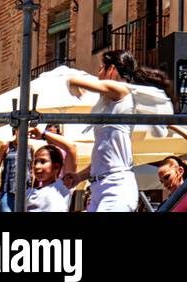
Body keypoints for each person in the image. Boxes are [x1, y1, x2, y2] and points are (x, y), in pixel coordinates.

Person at [67, 50, 173, 213]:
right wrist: (79, 176)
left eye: (101, 68)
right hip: (99, 188)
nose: (98, 74)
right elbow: (105, 155)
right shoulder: (108, 106)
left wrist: (73, 82)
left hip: (116, 187)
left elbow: (75, 81)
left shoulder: (122, 90)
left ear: (112, 70)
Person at [26, 126, 77, 213]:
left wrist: (43, 134)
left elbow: (71, 148)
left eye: (43, 162)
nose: (37, 166)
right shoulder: (29, 192)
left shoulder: (62, 186)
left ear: (56, 167)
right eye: (35, 162)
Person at [0, 128, 32, 212]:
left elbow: (32, 171)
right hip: (7, 192)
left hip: (26, 192)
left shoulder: (30, 149)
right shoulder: (6, 146)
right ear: (16, 130)